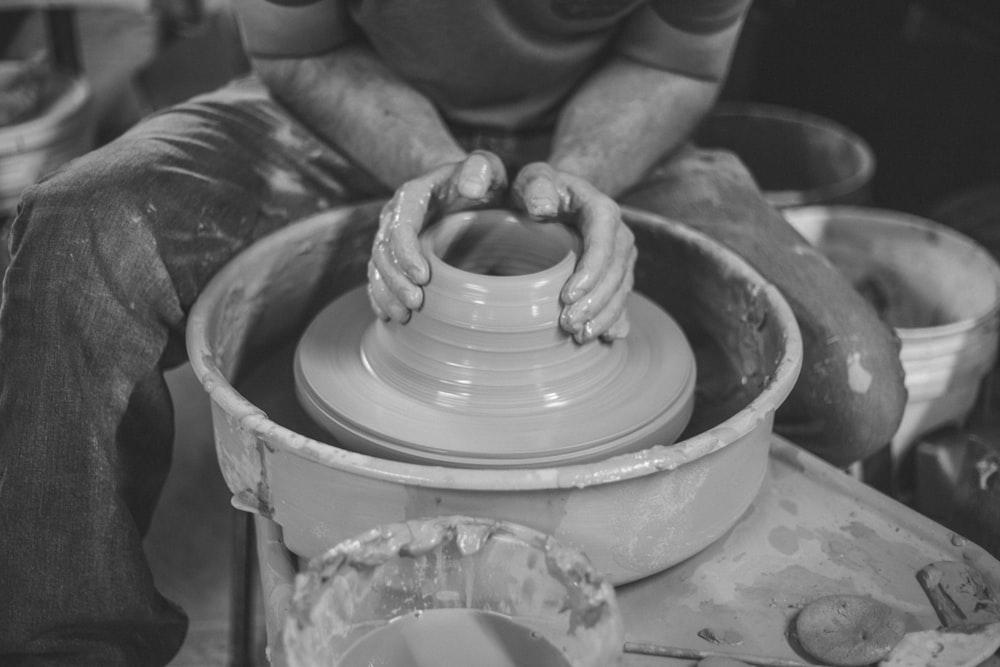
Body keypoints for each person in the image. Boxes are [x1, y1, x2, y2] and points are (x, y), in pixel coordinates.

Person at [0, 0, 907, 664]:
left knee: (848, 383)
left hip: (603, 135)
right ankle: (73, 643)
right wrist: (437, 172)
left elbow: (679, 62)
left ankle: (602, 596)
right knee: (78, 238)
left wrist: (581, 176)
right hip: (338, 113)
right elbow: (298, 46)